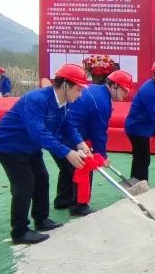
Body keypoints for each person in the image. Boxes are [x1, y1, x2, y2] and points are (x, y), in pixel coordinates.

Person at [0, 63, 90, 244]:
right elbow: (39, 132)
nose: (80, 94)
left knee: (42, 179)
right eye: (78, 89)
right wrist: (67, 152)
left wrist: (79, 142)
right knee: (25, 185)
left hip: (30, 146)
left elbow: (68, 125)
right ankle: (20, 232)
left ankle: (41, 219)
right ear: (65, 85)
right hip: (9, 146)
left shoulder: (64, 103)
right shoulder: (35, 100)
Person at [52, 70, 133, 216]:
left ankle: (63, 200)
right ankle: (79, 206)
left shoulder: (97, 90)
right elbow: (99, 132)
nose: (126, 94)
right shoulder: (102, 102)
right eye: (124, 90)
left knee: (67, 168)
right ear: (114, 85)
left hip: (61, 132)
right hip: (67, 135)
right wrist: (101, 155)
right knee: (84, 165)